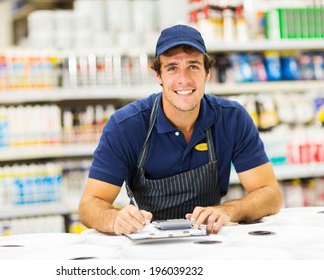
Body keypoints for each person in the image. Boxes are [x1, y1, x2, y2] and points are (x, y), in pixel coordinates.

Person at [78, 24, 283, 235]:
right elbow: (89, 205)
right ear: (158, 75)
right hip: (147, 245)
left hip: (209, 240)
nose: (183, 79)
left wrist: (227, 211)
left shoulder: (232, 118)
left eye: (193, 66)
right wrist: (115, 219)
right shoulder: (125, 126)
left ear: (207, 73)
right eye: (172, 68)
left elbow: (270, 194)